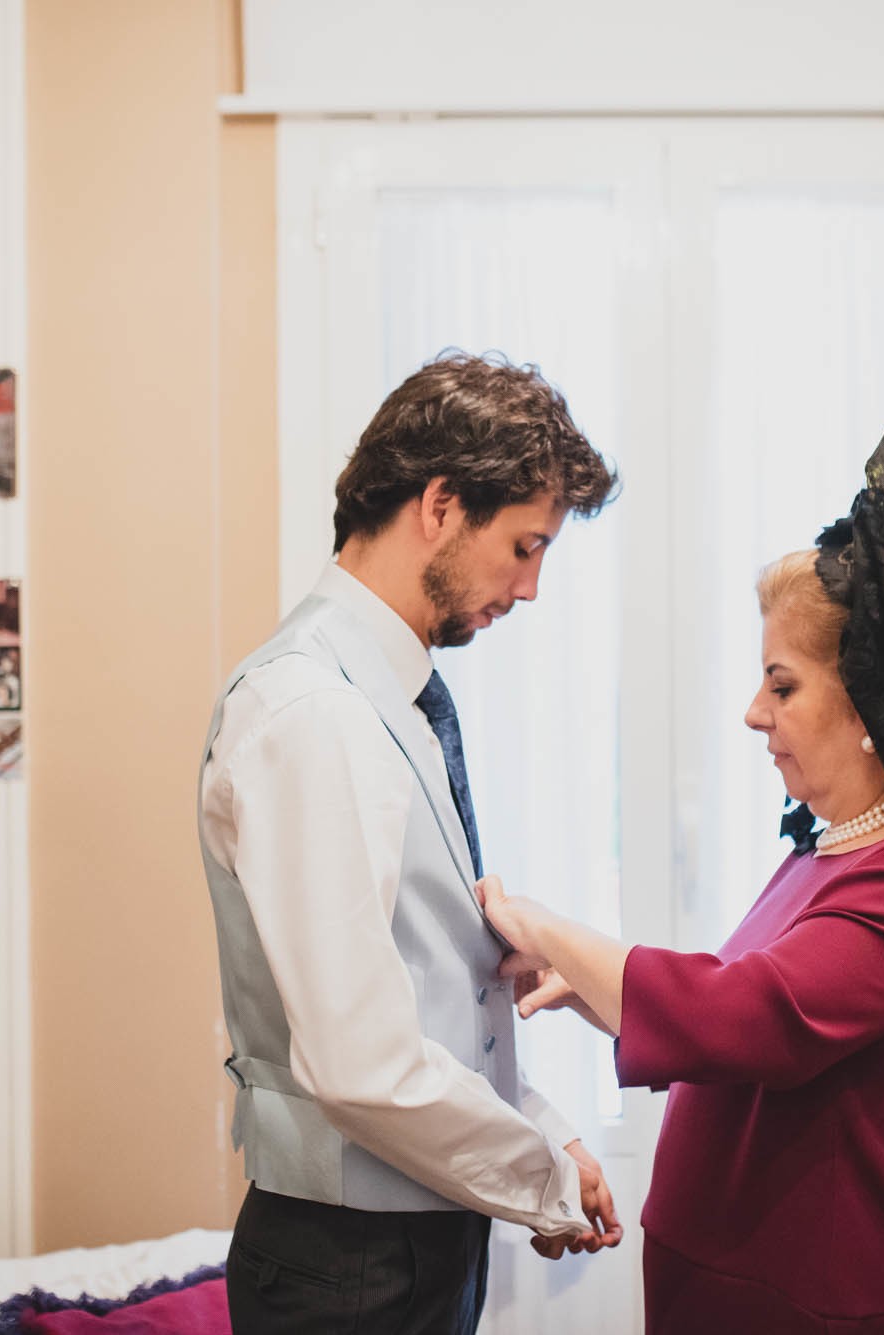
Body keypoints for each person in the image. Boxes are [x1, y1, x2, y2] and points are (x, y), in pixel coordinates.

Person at [481, 426, 884, 1334]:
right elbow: (741, 1017)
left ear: (869, 704)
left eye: (781, 686)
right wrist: (588, 988)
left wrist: (543, 925)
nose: (755, 713)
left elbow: (744, 1013)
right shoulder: (829, 852)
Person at [197, 351, 624, 1334]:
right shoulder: (312, 711)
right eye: (523, 546)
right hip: (348, 1264)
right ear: (439, 505)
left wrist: (544, 1130)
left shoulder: (390, 698)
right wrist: (541, 1178)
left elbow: (422, 989)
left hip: (413, 1240)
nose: (529, 590)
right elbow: (362, 1062)